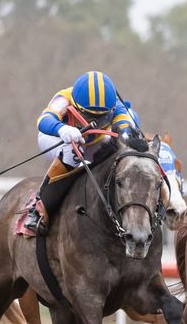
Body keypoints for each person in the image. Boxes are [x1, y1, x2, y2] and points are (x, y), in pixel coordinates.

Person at [23, 70, 143, 237]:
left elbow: (127, 124)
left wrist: (127, 134)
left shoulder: (116, 104)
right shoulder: (64, 99)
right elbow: (43, 120)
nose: (98, 122)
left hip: (94, 141)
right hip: (55, 137)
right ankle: (38, 208)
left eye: (102, 117)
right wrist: (62, 129)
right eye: (89, 115)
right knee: (72, 151)